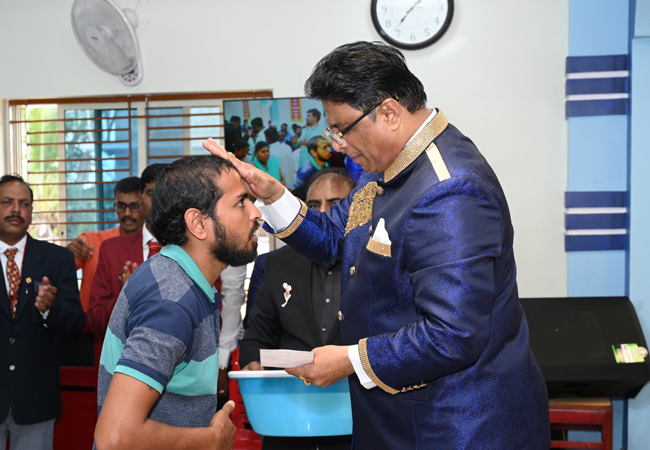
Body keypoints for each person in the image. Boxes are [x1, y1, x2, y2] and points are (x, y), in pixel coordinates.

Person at [203, 41, 550, 449]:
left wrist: (350, 359)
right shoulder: (388, 164)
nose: (337, 144)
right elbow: (335, 237)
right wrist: (273, 194)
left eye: (342, 128)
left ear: (388, 112)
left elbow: (452, 334)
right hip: (399, 416)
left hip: (455, 424)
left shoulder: (449, 189)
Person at [94, 155, 260, 450]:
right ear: (197, 222)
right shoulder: (171, 301)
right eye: (240, 202)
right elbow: (115, 437)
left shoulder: (184, 280)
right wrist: (211, 440)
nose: (255, 213)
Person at [240, 171, 355, 450]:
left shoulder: (376, 261)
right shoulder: (275, 264)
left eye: (336, 204)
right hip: (288, 420)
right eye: (314, 206)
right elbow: (256, 335)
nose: (324, 213)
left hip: (357, 421)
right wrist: (253, 363)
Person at [0, 175, 85, 450]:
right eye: (7, 202)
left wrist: (51, 308)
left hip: (36, 399)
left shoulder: (57, 259)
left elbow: (75, 322)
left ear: (31, 211)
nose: (16, 210)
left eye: (24, 204)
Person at [86, 164, 168, 341]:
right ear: (141, 198)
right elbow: (94, 321)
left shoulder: (195, 248)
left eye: (166, 194)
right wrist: (125, 297)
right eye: (153, 194)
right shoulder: (111, 249)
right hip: (123, 363)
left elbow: (210, 323)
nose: (159, 202)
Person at [67, 176, 144, 310]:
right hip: (89, 327)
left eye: (134, 206)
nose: (127, 213)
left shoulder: (153, 247)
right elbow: (57, 270)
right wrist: (65, 253)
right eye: (121, 206)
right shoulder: (91, 242)